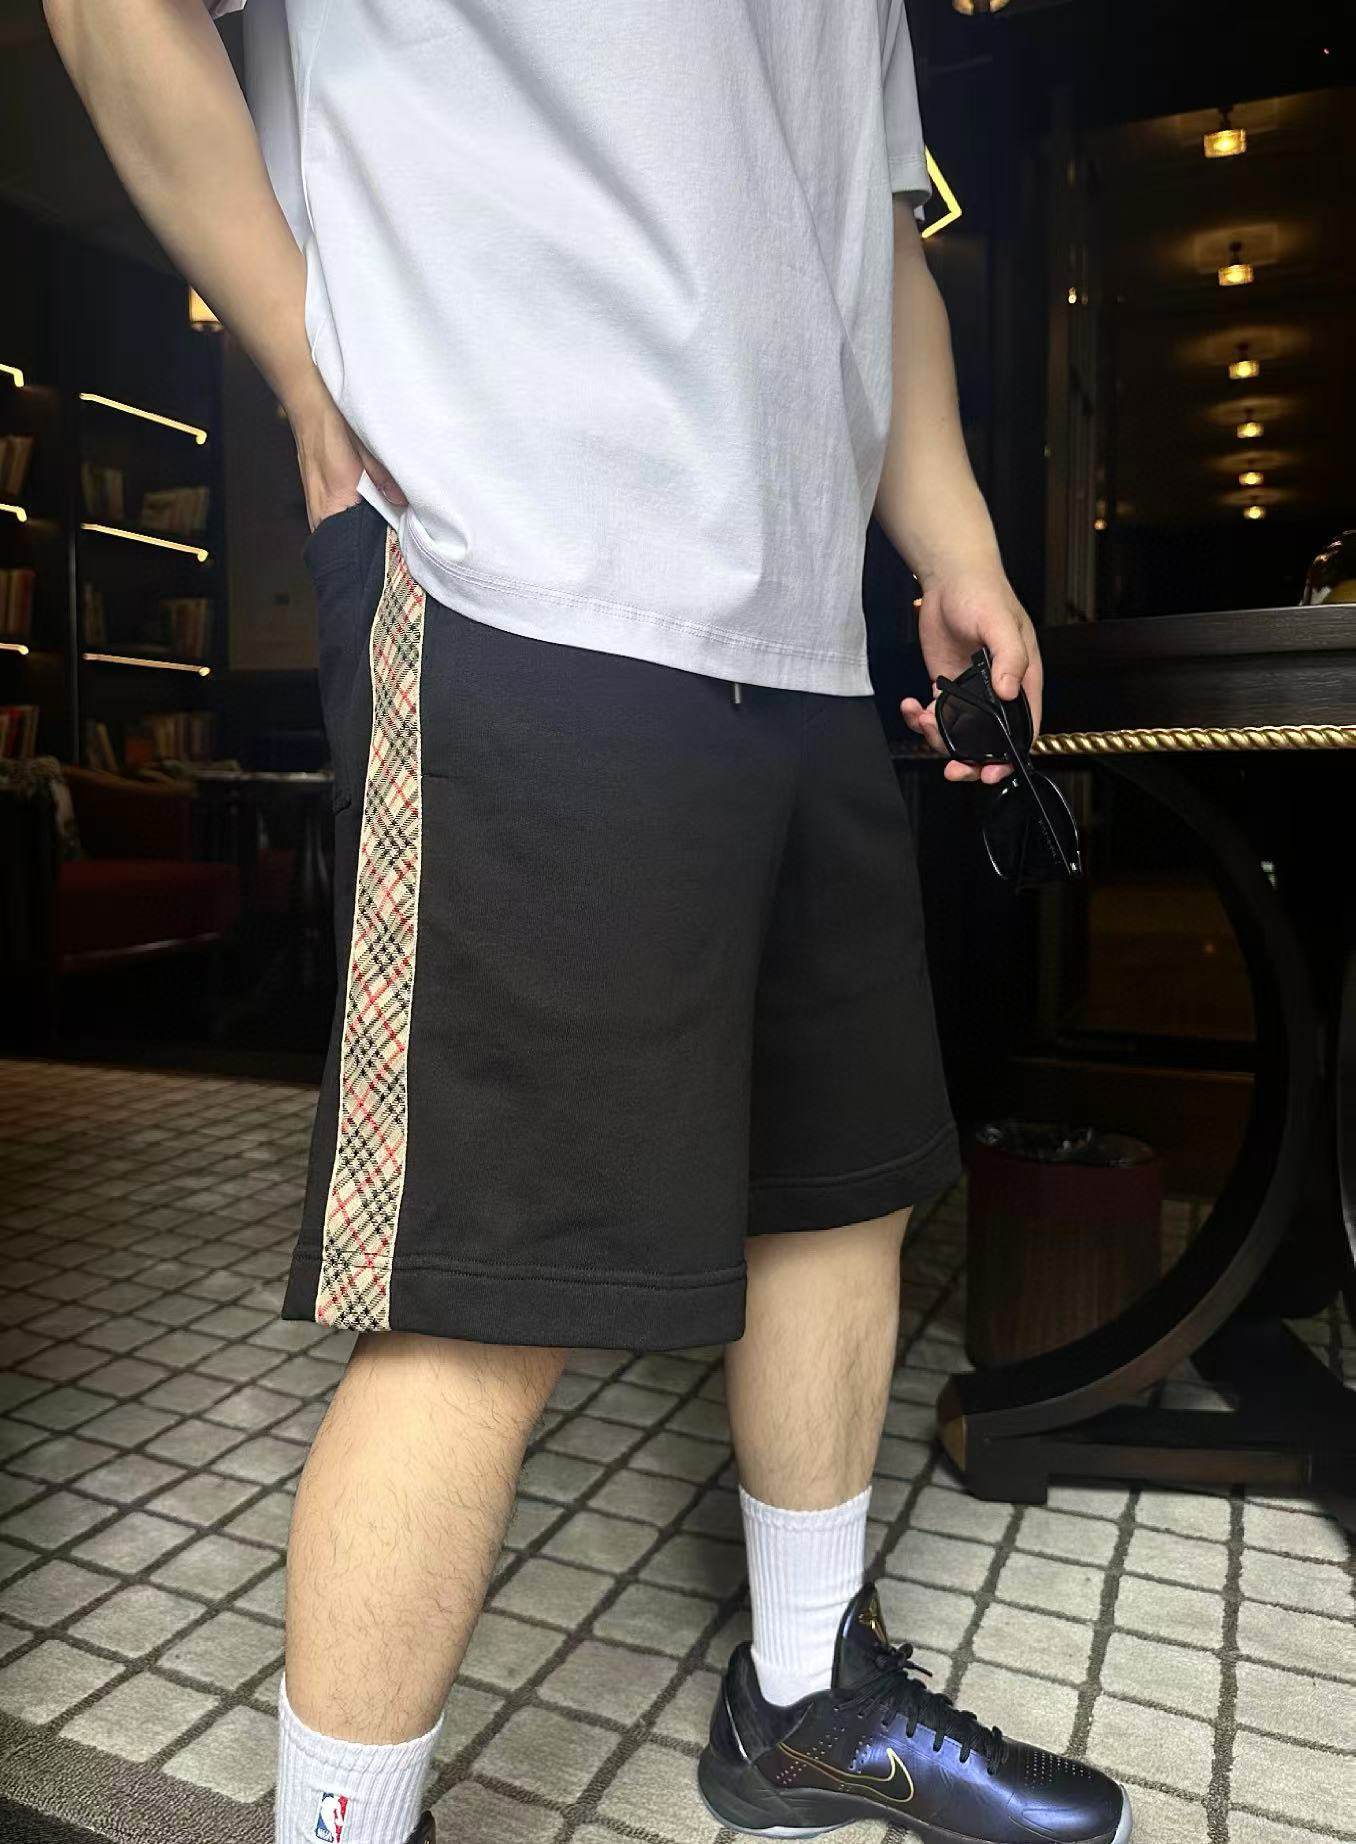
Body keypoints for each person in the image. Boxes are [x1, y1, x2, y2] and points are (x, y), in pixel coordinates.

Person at [45, 4, 1129, 1842]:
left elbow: (869, 225)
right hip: (518, 560)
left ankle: (803, 1702)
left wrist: (950, 538)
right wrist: (306, 367)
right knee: (492, 1279)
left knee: (837, 1188)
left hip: (801, 626)